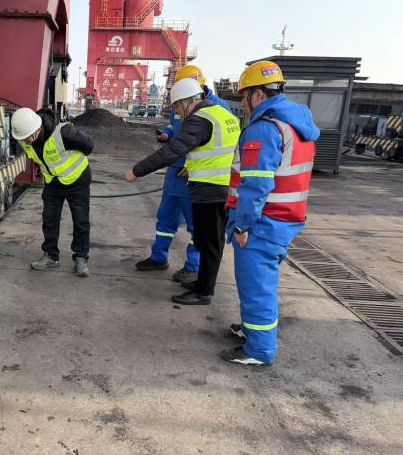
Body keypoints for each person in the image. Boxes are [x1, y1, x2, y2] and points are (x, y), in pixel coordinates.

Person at [221, 61, 319, 366]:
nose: (243, 104)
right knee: (261, 283)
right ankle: (253, 331)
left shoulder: (265, 128)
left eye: (244, 97)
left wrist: (242, 225)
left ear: (259, 94)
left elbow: (256, 185)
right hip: (283, 220)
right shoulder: (296, 125)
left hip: (262, 223)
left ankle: (259, 350)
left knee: (256, 287)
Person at [125, 79, 240, 304]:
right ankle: (202, 284)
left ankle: (203, 292)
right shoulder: (223, 115)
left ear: (189, 101)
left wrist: (137, 171)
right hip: (220, 186)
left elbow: (172, 150)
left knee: (208, 243)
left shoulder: (200, 119)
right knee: (209, 242)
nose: (177, 112)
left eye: (177, 106)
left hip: (209, 189)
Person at [12, 107, 94, 277]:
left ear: (38, 129)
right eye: (23, 139)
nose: (26, 142)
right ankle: (51, 256)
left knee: (81, 221)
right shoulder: (24, 139)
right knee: (49, 219)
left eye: (28, 137)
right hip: (53, 183)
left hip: (77, 180)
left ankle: (80, 258)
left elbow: (89, 145)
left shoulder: (63, 133)